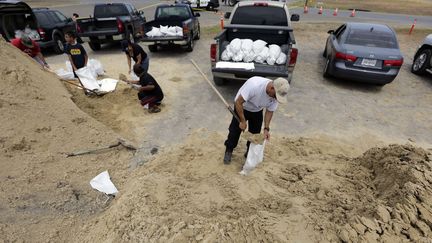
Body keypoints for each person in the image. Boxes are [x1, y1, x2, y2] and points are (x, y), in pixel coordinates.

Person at [223, 76, 290, 164]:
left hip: (257, 110)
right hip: (242, 107)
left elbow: (270, 111)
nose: (275, 98)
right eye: (275, 96)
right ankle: (229, 150)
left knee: (255, 134)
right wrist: (243, 121)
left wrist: (266, 129)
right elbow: (238, 102)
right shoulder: (254, 85)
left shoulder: (275, 94)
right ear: (271, 88)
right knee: (234, 131)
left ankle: (249, 152)